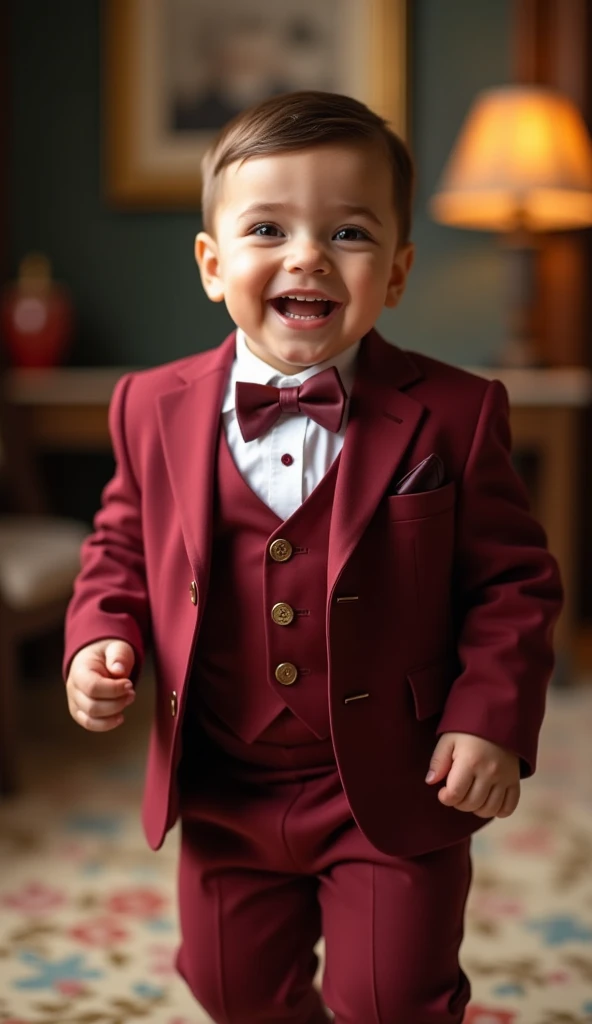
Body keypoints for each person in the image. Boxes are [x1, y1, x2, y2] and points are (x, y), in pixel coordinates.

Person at [64, 91, 562, 1024]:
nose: (307, 256)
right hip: (223, 779)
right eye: (267, 227)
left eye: (348, 232)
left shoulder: (457, 413)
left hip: (390, 778)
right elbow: (120, 548)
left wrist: (490, 716)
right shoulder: (148, 405)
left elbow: (514, 584)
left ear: (399, 273)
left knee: (391, 997)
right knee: (229, 987)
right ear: (213, 264)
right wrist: (98, 638)